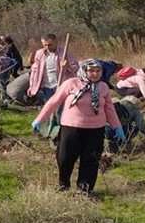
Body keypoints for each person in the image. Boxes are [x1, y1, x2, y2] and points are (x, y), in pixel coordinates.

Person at [32, 59, 123, 196]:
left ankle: (84, 190)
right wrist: (39, 120)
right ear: (84, 71)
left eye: (98, 71)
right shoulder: (71, 83)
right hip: (71, 127)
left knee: (91, 159)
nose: (95, 74)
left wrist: (117, 127)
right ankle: (63, 184)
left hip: (95, 128)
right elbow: (53, 102)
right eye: (91, 71)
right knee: (65, 157)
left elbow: (109, 109)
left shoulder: (103, 87)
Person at [27, 33, 78, 102]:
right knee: (50, 108)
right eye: (45, 45)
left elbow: (76, 68)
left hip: (62, 86)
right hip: (47, 87)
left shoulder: (66, 53)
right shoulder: (39, 54)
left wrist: (67, 65)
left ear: (56, 42)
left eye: (50, 45)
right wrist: (32, 85)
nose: (47, 47)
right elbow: (34, 71)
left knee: (61, 109)